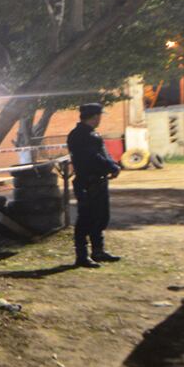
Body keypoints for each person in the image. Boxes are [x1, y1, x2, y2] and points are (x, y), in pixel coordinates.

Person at [67, 102, 121, 268]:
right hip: (88, 181)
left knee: (100, 217)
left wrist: (112, 165)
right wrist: (111, 167)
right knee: (86, 219)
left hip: (96, 180)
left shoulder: (88, 134)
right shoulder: (83, 135)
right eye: (99, 116)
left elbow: (102, 154)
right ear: (95, 116)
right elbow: (93, 158)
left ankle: (98, 251)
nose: (100, 119)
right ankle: (82, 256)